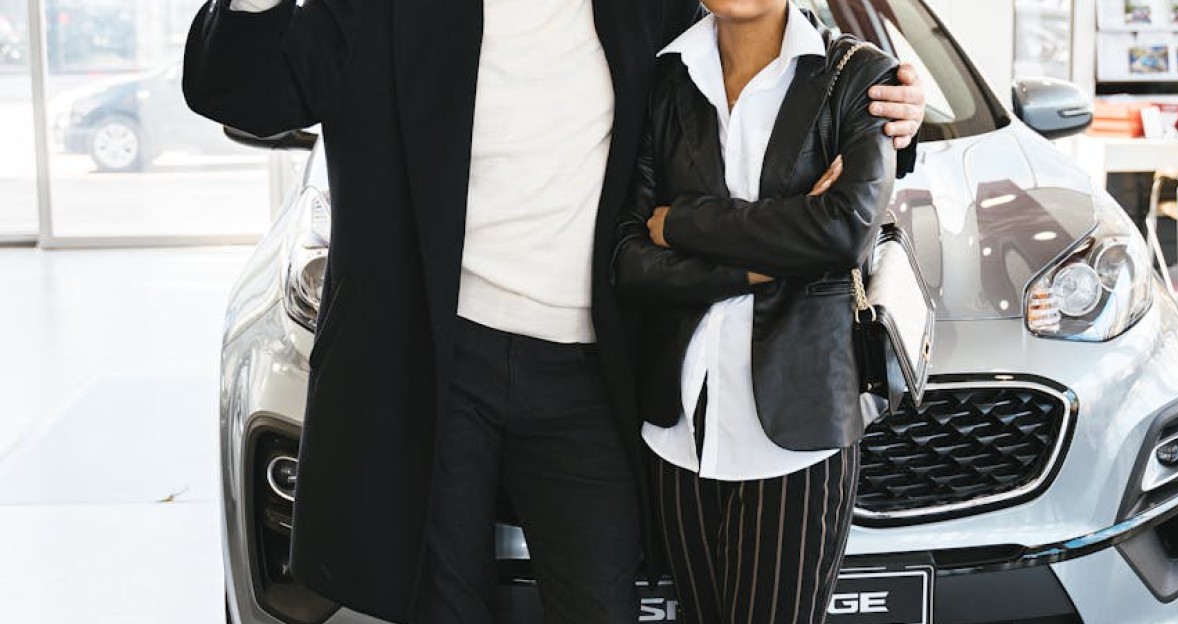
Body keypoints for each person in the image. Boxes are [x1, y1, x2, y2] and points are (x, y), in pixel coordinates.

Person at [182, 1, 925, 623]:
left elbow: (769, 79)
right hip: (432, 366)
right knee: (441, 606)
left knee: (601, 605)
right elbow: (244, 89)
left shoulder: (653, 6)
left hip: (591, 372)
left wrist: (894, 109)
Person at [612, 2, 901, 623]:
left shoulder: (857, 77)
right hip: (680, 431)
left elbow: (845, 229)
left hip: (796, 433)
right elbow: (630, 259)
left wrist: (683, 223)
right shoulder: (667, 77)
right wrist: (772, 257)